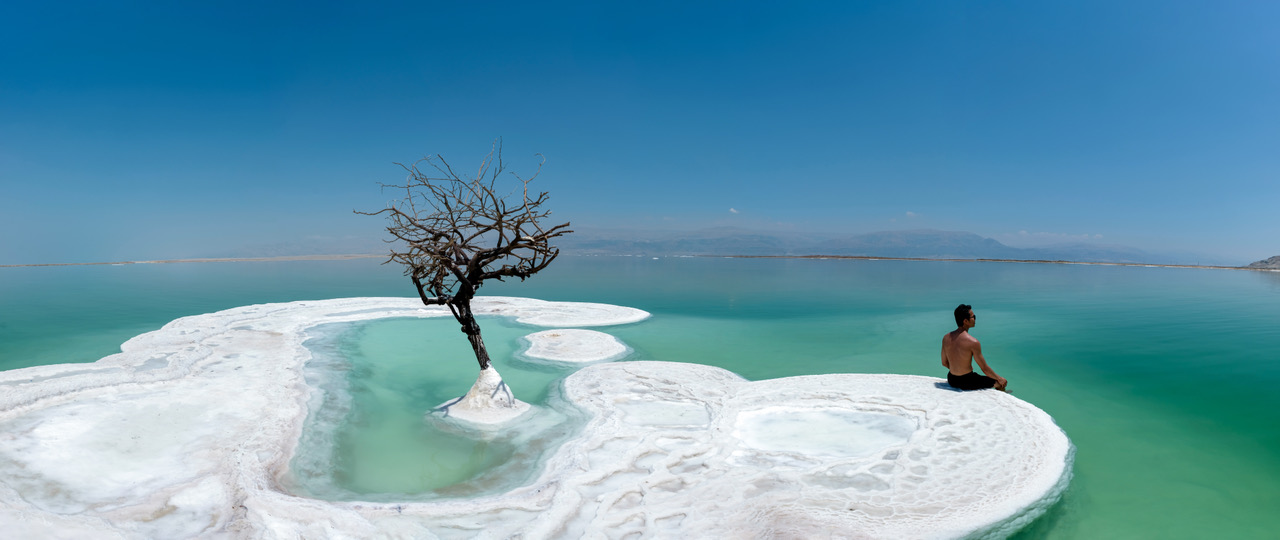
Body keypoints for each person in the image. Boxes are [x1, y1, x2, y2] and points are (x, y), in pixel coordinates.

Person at [942, 304, 1008, 391]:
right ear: (965, 321)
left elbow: (944, 363)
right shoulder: (973, 342)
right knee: (1000, 383)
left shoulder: (946, 338)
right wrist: (1000, 379)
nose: (975, 319)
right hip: (968, 381)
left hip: (952, 379)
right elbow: (984, 368)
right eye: (973, 317)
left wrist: (957, 370)